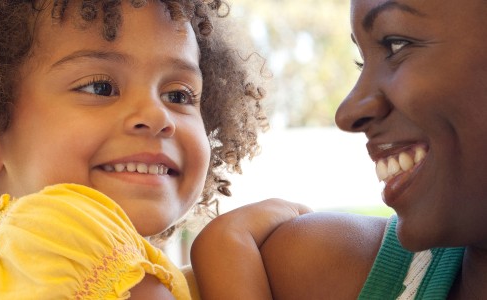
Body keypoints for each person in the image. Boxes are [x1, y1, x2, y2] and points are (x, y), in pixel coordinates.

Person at [0, 0, 293, 298]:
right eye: (100, 88)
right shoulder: (50, 231)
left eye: (178, 95)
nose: (157, 116)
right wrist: (228, 245)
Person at [191, 0, 487, 299]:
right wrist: (226, 243)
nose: (346, 113)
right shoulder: (321, 269)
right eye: (362, 62)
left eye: (397, 45)